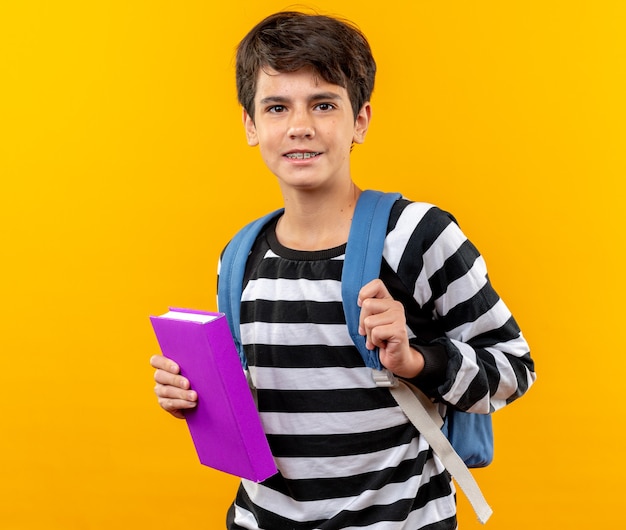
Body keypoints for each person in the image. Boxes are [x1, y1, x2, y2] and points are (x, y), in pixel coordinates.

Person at [150, 10, 536, 529]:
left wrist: (417, 360)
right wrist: (198, 402)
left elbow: (514, 370)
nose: (300, 126)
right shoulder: (237, 256)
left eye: (324, 104)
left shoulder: (418, 237)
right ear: (250, 124)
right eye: (277, 106)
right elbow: (272, 404)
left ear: (361, 120)